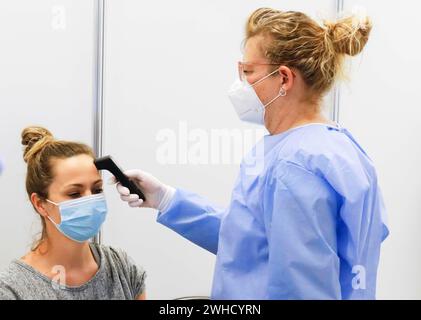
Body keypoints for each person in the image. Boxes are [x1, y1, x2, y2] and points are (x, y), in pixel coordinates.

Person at [112, 8, 389, 299]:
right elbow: (251, 243)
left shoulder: (294, 164)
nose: (240, 84)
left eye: (247, 72)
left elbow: (300, 287)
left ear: (283, 78)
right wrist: (165, 198)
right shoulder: (335, 148)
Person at [0, 126, 146, 300]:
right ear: (40, 204)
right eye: (74, 193)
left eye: (97, 189)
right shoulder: (13, 289)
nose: (90, 201)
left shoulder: (122, 267)